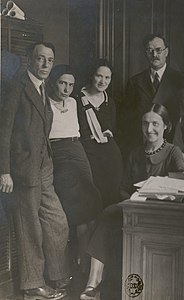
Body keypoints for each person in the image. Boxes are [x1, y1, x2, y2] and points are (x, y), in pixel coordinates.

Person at [80, 104, 184, 300]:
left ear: (166, 127)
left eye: (155, 123)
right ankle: (92, 285)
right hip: (134, 207)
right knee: (107, 215)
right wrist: (130, 200)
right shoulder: (135, 153)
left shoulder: (173, 152)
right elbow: (124, 186)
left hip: (162, 211)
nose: (149, 129)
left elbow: (179, 187)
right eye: (145, 124)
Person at [0, 42, 69, 299]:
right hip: (22, 170)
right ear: (30, 59)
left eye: (49, 61)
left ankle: (57, 274)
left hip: (43, 167)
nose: (45, 65)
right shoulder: (17, 88)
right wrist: (4, 171)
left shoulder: (42, 88)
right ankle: (32, 285)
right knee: (30, 228)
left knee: (57, 222)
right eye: (40, 59)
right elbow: (3, 131)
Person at [47, 65, 102, 268]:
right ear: (54, 82)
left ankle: (85, 258)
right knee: (78, 209)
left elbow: (86, 127)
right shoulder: (45, 103)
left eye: (70, 84)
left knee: (91, 204)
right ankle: (77, 261)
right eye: (63, 83)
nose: (67, 88)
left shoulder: (73, 101)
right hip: (59, 153)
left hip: (77, 150)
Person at [121, 33, 184, 154]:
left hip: (172, 144)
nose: (154, 55)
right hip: (144, 144)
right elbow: (128, 120)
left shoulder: (181, 80)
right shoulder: (135, 82)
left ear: (166, 52)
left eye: (158, 50)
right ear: (145, 53)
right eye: (150, 51)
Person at [76, 59, 123, 208]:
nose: (103, 81)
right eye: (99, 76)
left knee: (111, 195)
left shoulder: (110, 102)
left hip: (109, 154)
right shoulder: (77, 99)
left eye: (107, 77)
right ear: (92, 76)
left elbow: (112, 130)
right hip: (87, 152)